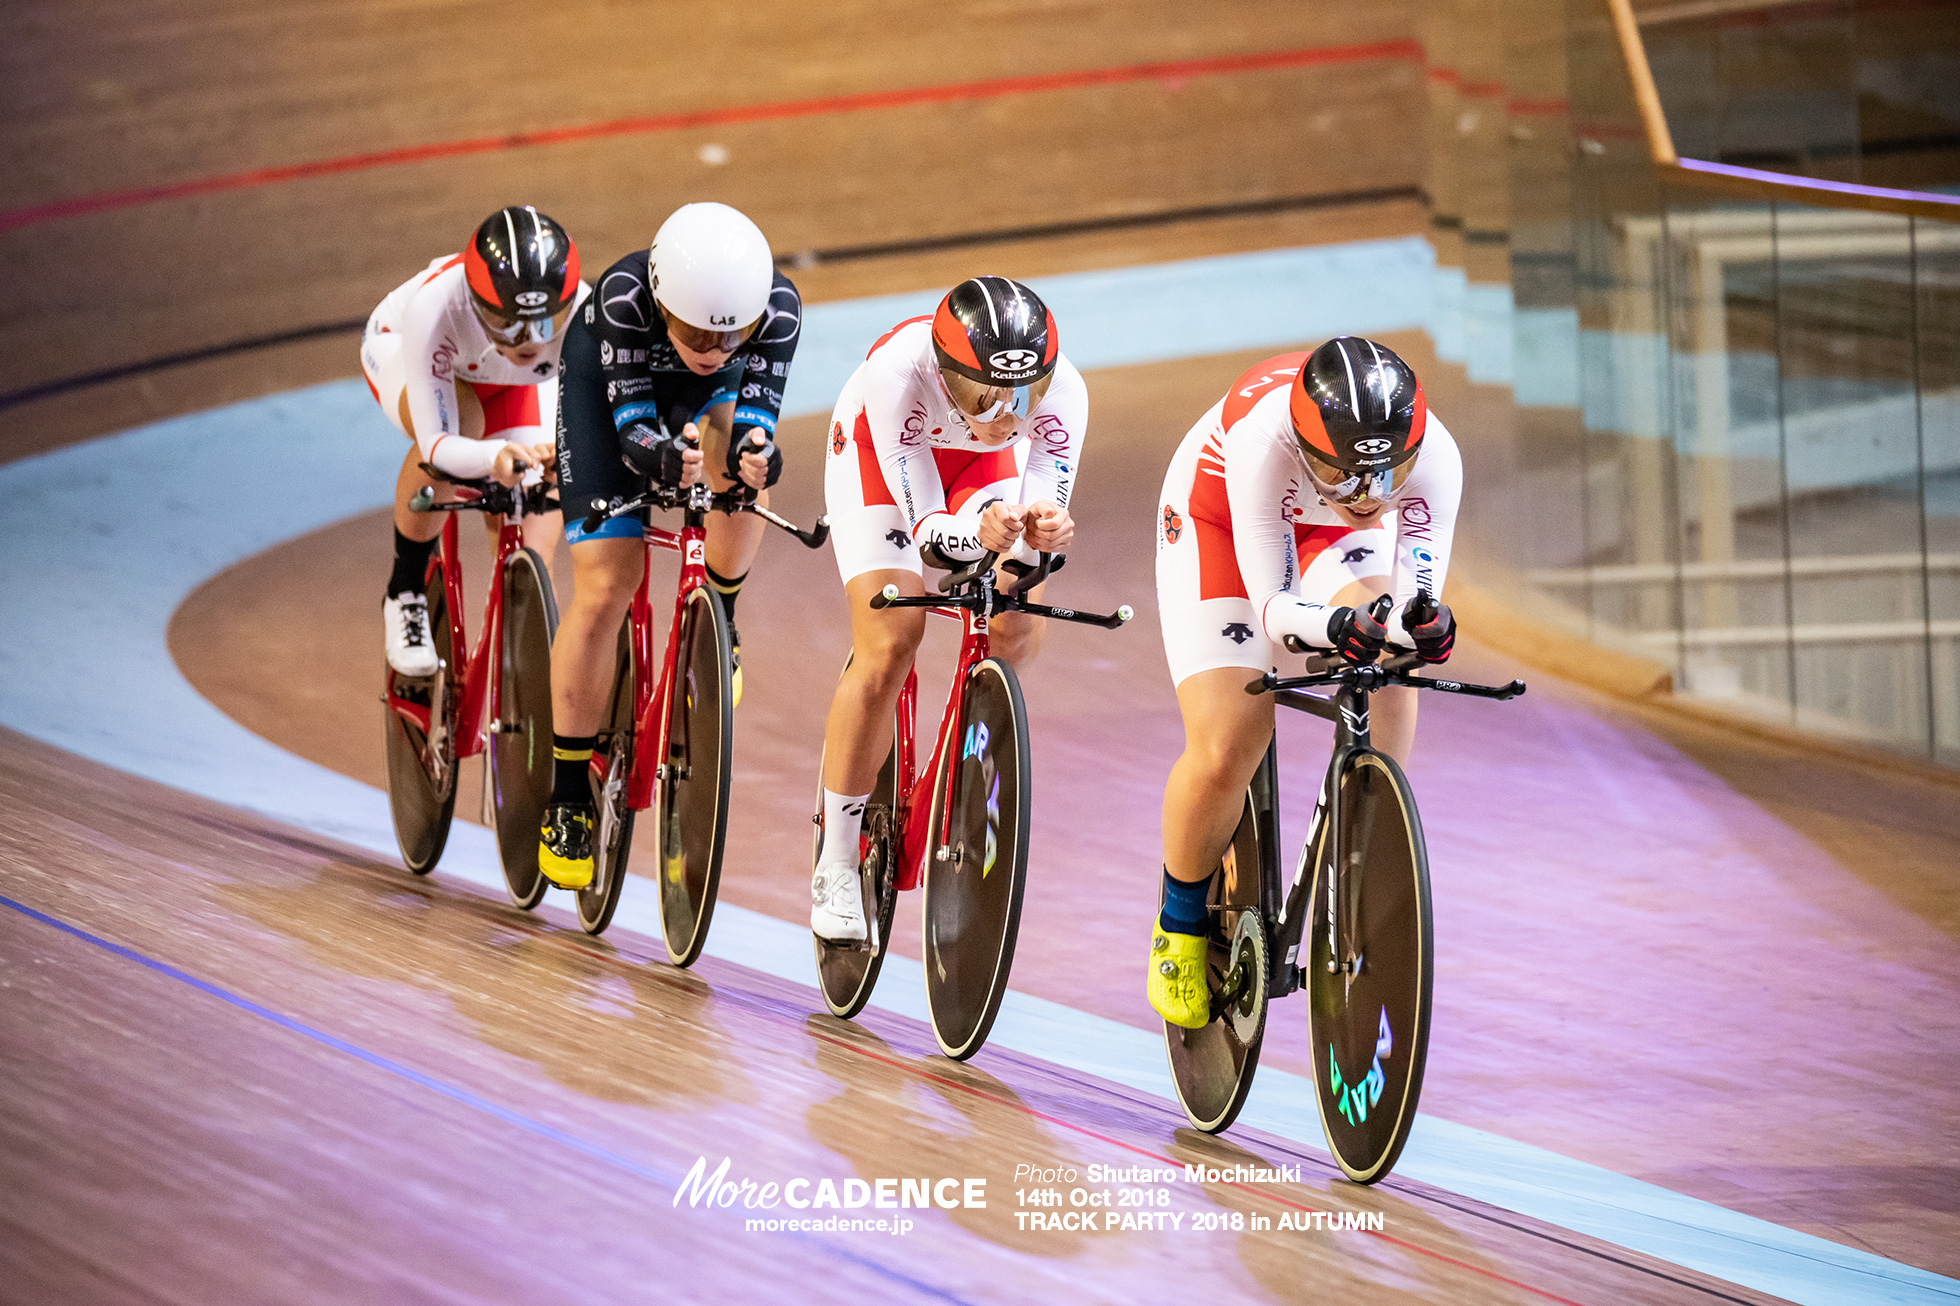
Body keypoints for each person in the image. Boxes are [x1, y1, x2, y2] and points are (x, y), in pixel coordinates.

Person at [1147, 337, 1462, 1028]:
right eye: (1346, 473)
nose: (1369, 497)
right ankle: (1179, 922)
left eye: (1386, 475)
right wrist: (1333, 624)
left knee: (1390, 659)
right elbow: (1276, 612)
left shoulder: (1433, 455)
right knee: (1232, 737)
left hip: (1321, 531)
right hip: (1222, 523)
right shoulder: (1264, 442)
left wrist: (1425, 626)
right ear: (1306, 446)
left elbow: (1416, 594)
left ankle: (1365, 834)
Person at [810, 276, 1087, 940]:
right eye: (979, 394)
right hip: (884, 462)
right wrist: (977, 534)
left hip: (978, 471)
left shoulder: (1066, 392)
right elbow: (928, 531)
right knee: (890, 641)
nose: (999, 413)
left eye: (1019, 396)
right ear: (944, 371)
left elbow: (1043, 502)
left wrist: (1044, 531)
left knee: (1016, 620)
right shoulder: (896, 372)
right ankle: (837, 863)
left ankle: (972, 760)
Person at [539, 202, 802, 889]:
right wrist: (658, 458)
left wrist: (756, 457)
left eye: (731, 338)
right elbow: (631, 432)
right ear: (662, 303)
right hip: (607, 398)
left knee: (740, 478)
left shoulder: (778, 308)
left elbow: (755, 422)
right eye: (697, 334)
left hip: (704, 402)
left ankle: (723, 618)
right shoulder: (623, 298)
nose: (716, 349)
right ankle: (567, 796)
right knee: (606, 586)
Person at [363, 205, 586, 677]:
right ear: (478, 303)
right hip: (411, 352)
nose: (528, 340)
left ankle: (505, 659)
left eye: (545, 323)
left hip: (512, 385)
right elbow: (438, 443)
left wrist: (549, 455)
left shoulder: (585, 313)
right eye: (507, 323)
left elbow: (585, 421)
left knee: (532, 537)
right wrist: (493, 455)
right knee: (464, 425)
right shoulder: (436, 306)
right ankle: (405, 591)